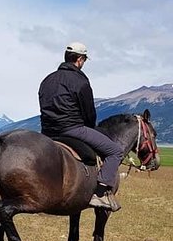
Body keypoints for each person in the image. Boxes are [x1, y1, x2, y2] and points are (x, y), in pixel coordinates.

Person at [38, 42, 123, 211]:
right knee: (115, 151)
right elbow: (89, 113)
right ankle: (99, 194)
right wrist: (90, 128)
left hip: (47, 132)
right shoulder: (80, 80)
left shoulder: (47, 80)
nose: (83, 63)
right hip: (73, 129)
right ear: (79, 59)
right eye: (84, 60)